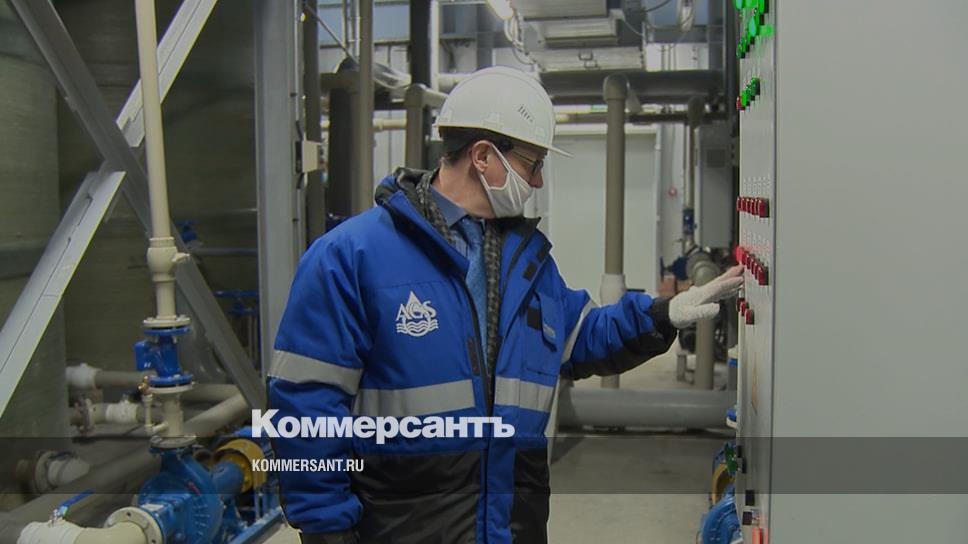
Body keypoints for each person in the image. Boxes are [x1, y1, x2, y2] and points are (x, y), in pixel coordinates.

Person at [266, 66, 743, 544]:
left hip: (511, 525)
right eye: (532, 163)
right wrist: (327, 529)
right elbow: (306, 406)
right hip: (400, 528)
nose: (537, 181)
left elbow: (579, 336)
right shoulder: (351, 257)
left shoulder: (525, 260)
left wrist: (664, 314)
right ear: (482, 156)